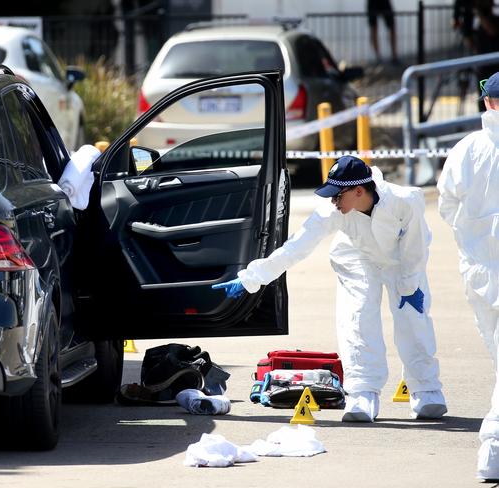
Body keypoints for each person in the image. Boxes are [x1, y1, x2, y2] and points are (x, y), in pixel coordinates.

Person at [213, 156, 447, 423]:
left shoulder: (406, 200)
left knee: (414, 321)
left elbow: (414, 249)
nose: (333, 200)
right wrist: (251, 278)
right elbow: (296, 247)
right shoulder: (332, 210)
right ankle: (363, 392)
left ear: (359, 191)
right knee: (357, 319)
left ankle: (427, 389)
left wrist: (408, 286)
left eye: (338, 194)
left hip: (402, 260)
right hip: (357, 257)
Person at [437, 71, 499, 481]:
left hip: (479, 272)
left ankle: (492, 453)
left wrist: (475, 236)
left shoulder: (466, 149)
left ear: (486, 103)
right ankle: (492, 449)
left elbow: (446, 206)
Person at [367, 0, 399, 65]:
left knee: (392, 27)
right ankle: (378, 57)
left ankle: (394, 56)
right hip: (372, 2)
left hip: (384, 2)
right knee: (374, 28)